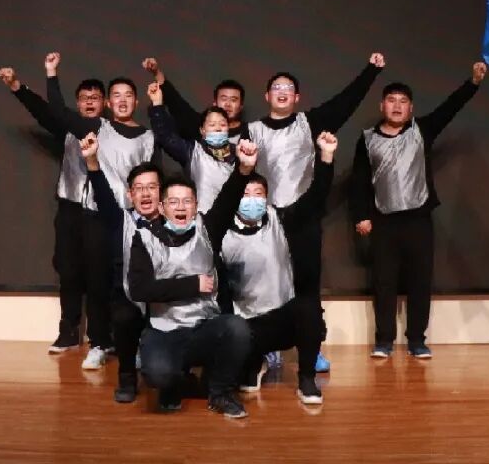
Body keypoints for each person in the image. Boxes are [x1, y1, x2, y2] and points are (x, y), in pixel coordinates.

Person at [246, 53, 386, 372]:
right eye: (276, 87)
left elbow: (345, 103)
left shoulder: (308, 123)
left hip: (304, 220)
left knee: (307, 288)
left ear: (297, 97)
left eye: (289, 88)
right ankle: (268, 347)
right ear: (267, 96)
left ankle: (312, 348)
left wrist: (371, 71)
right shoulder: (251, 130)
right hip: (265, 222)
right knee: (266, 286)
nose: (282, 92)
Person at [350, 62, 488, 359]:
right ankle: (384, 341)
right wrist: (361, 215)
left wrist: (473, 83)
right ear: (382, 105)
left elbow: (450, 108)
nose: (397, 106)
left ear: (410, 108)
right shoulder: (367, 139)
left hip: (418, 220)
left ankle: (416, 340)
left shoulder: (421, 130)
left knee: (420, 282)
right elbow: (359, 180)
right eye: (391, 100)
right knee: (383, 283)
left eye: (403, 101)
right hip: (383, 221)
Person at [46, 52, 156, 370]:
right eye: (116, 95)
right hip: (98, 213)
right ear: (108, 102)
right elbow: (57, 112)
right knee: (95, 279)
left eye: (128, 95)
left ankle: (130, 342)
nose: (122, 100)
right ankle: (97, 342)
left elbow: (152, 176)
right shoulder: (96, 126)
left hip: (132, 218)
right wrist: (51, 74)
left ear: (136, 101)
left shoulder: (148, 137)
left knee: (129, 280)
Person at [205, 135, 335, 404]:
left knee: (309, 309)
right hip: (246, 323)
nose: (252, 201)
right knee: (236, 361)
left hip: (283, 317)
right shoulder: (219, 231)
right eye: (246, 195)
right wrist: (243, 168)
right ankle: (254, 363)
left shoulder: (281, 219)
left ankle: (307, 379)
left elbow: (315, 199)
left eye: (258, 195)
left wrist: (326, 158)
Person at [0, 60, 105, 357]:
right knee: (68, 271)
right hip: (70, 210)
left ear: (105, 103)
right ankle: (68, 332)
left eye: (95, 98)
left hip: (101, 213)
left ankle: (100, 336)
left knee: (99, 274)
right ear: (77, 104)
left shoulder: (113, 132)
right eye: (84, 98)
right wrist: (17, 86)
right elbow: (43, 111)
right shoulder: (67, 129)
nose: (89, 102)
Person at [125, 171, 253, 418]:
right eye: (173, 202)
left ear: (195, 206)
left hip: (203, 326)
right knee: (159, 374)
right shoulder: (144, 238)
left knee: (237, 329)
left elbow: (228, 198)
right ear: (161, 208)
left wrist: (243, 170)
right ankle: (174, 384)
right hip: (164, 331)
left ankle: (220, 393)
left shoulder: (208, 229)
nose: (181, 207)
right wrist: (192, 285)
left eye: (187, 201)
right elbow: (139, 289)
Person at [82, 136, 163, 404]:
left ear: (162, 192)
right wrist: (92, 162)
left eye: (152, 187)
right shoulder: (121, 221)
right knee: (124, 317)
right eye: (139, 188)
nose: (146, 194)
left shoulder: (175, 223)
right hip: (129, 299)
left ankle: (176, 376)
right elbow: (103, 195)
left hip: (166, 302)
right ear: (130, 195)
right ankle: (127, 377)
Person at [146, 81, 236, 214]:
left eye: (222, 124)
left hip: (234, 220)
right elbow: (166, 137)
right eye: (212, 125)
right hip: (201, 219)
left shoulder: (242, 155)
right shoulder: (193, 152)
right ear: (202, 131)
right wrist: (157, 105)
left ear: (228, 129)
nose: (218, 128)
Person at [142, 57, 246, 143]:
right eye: (224, 99)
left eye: (233, 100)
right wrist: (157, 73)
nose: (228, 104)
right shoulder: (200, 125)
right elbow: (176, 103)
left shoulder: (250, 132)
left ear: (241, 106)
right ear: (215, 103)